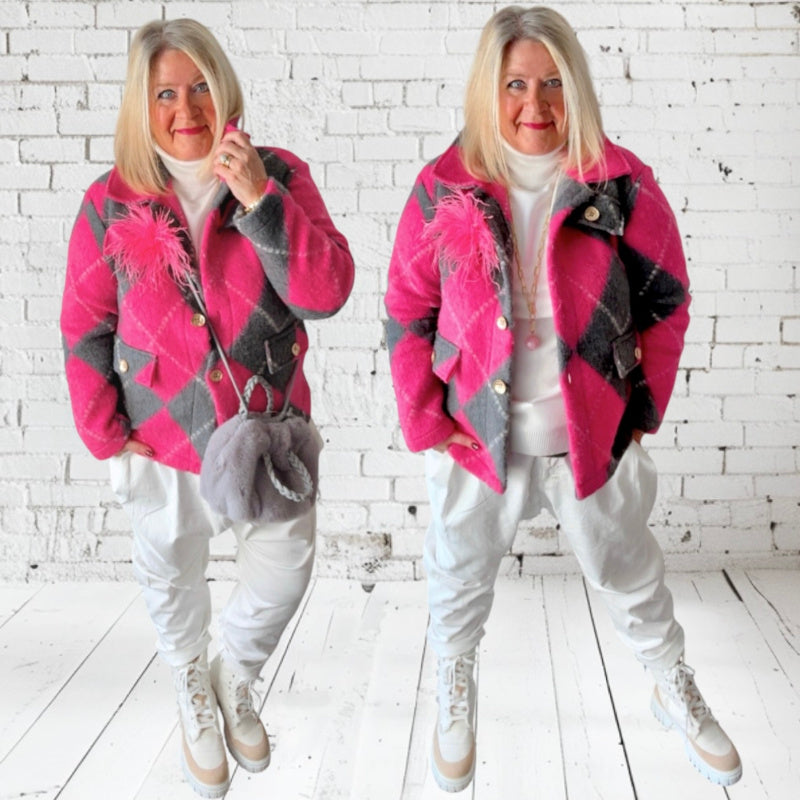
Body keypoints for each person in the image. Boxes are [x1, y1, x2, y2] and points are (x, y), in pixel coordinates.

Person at [385, 5, 741, 793]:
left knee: (628, 570)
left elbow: (666, 299)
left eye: (551, 82)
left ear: (575, 85)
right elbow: (408, 310)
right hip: (478, 438)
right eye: (515, 84)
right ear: (489, 89)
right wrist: (426, 421)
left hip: (590, 433)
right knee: (459, 574)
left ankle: (670, 680)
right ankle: (454, 683)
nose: (534, 104)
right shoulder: (444, 186)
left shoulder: (620, 183)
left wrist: (641, 410)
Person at [60, 19, 354, 798]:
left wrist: (259, 199)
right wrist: (106, 436)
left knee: (284, 572)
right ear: (142, 106)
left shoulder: (280, 174)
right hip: (161, 435)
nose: (186, 108)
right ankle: (193, 681)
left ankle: (236, 674)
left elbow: (326, 293)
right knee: (171, 573)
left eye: (199, 88)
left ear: (224, 91)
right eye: (165, 94)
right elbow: (84, 326)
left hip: (267, 432)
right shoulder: (108, 203)